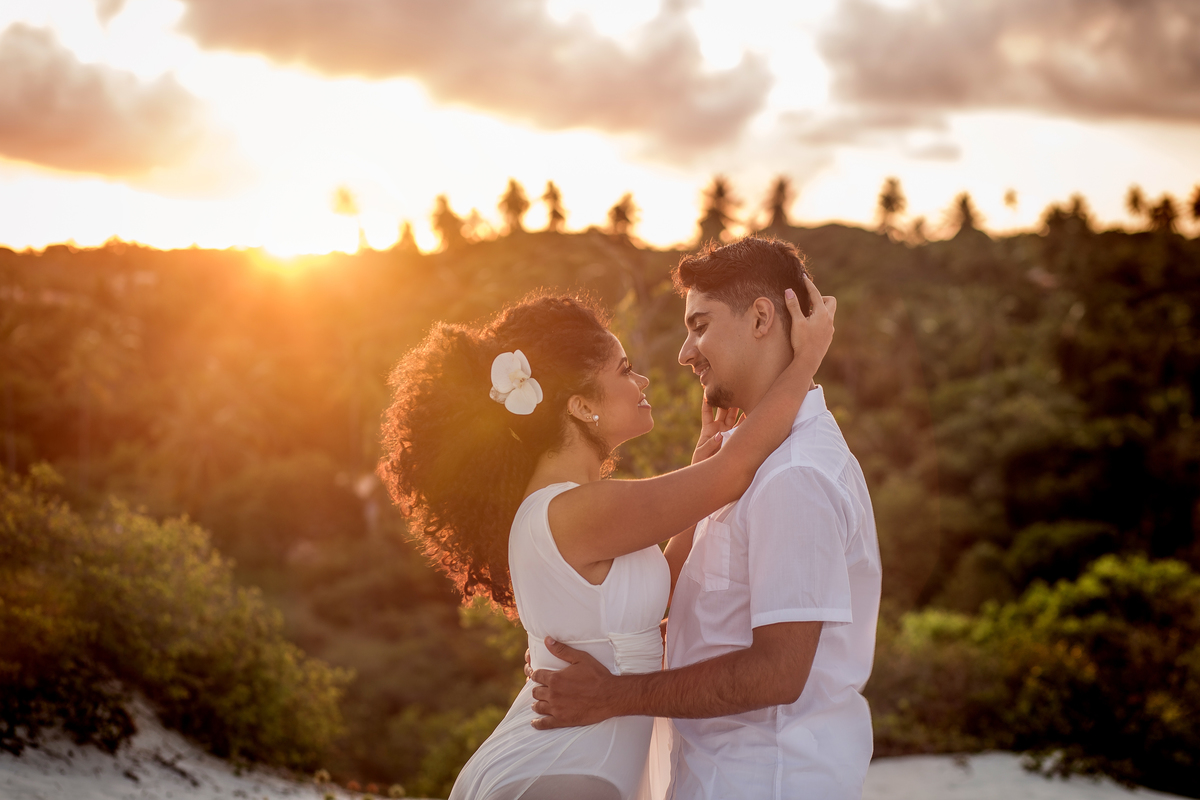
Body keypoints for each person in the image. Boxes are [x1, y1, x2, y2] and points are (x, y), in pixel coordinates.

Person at [378, 276, 835, 800]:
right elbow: (736, 470)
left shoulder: (575, 506)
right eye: (624, 370)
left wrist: (697, 467)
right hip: (563, 771)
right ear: (579, 406)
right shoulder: (573, 510)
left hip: (583, 762)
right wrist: (806, 359)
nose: (641, 380)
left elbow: (653, 595)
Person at [528, 237, 882, 800]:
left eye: (700, 325)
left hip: (765, 783)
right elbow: (709, 624)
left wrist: (613, 695)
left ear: (762, 317)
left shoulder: (794, 477)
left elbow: (778, 673)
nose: (683, 352)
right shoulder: (740, 465)